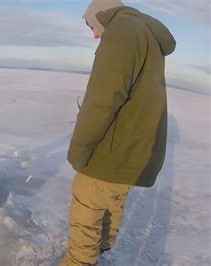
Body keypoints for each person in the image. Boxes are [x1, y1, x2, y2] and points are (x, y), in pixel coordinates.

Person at [61, 0, 176, 265]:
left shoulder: (121, 31)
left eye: (92, 26)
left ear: (100, 15)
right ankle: (100, 250)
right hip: (133, 154)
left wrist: (78, 152)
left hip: (110, 154)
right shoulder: (145, 32)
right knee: (111, 206)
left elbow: (102, 100)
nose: (94, 35)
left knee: (86, 212)